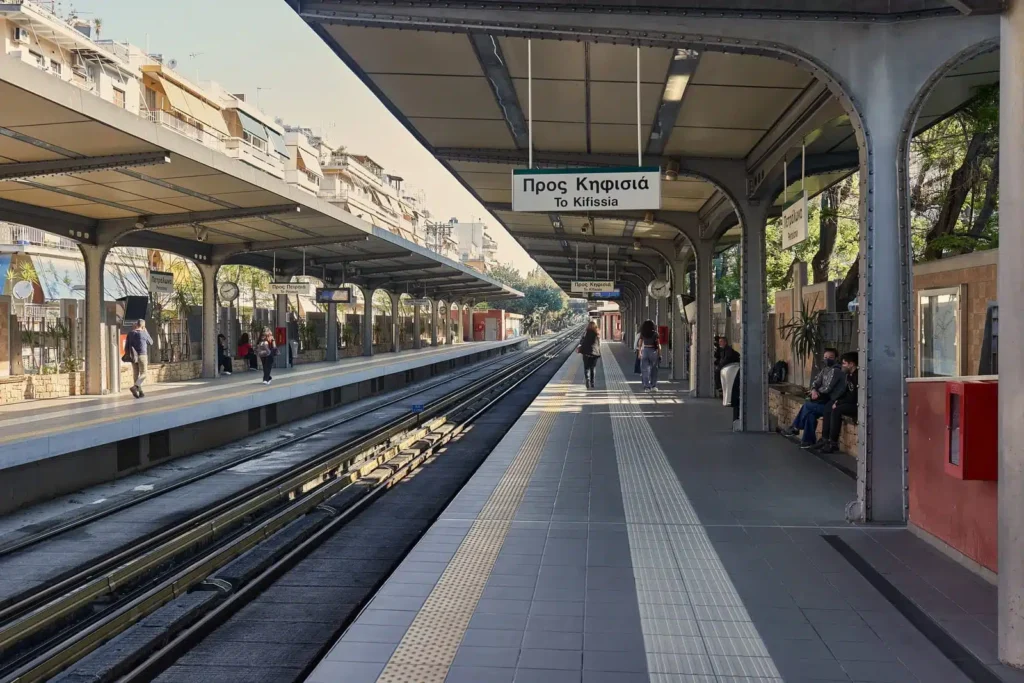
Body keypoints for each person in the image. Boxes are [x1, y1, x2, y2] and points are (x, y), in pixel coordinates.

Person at [786, 347, 845, 446]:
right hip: (822, 402)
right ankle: (807, 441)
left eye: (830, 357)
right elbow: (816, 382)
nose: (827, 359)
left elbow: (828, 388)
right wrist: (814, 390)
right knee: (810, 414)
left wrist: (818, 392)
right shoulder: (825, 369)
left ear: (836, 358)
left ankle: (796, 427)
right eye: (825, 357)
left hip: (830, 404)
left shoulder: (836, 371)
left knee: (807, 406)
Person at [815, 352, 858, 454]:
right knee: (829, 406)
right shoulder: (849, 375)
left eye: (844, 363)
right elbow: (846, 392)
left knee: (836, 410)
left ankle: (833, 443)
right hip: (849, 401)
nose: (842, 366)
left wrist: (838, 403)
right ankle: (825, 439)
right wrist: (836, 400)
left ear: (851, 364)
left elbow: (854, 397)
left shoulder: (857, 376)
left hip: (857, 405)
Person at [124, 319, 153, 399]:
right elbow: (151, 342)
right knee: (144, 373)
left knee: (136, 374)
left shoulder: (130, 333)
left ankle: (140, 392)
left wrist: (127, 355)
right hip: (142, 355)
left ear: (136, 325)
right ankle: (135, 387)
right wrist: (146, 331)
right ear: (143, 326)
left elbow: (126, 346)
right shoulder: (144, 333)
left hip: (133, 356)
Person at [637, 319, 661, 392]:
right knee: (654, 370)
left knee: (645, 370)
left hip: (645, 351)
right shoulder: (655, 334)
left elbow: (640, 344)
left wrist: (639, 353)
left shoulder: (642, 333)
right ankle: (653, 386)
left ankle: (647, 387)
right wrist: (660, 354)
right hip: (653, 351)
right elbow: (659, 345)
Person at [577, 321, 601, 389]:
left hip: (586, 353)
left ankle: (587, 379)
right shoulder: (597, 333)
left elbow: (581, 342)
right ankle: (592, 382)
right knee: (593, 368)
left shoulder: (585, 333)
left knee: (586, 368)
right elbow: (599, 344)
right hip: (594, 353)